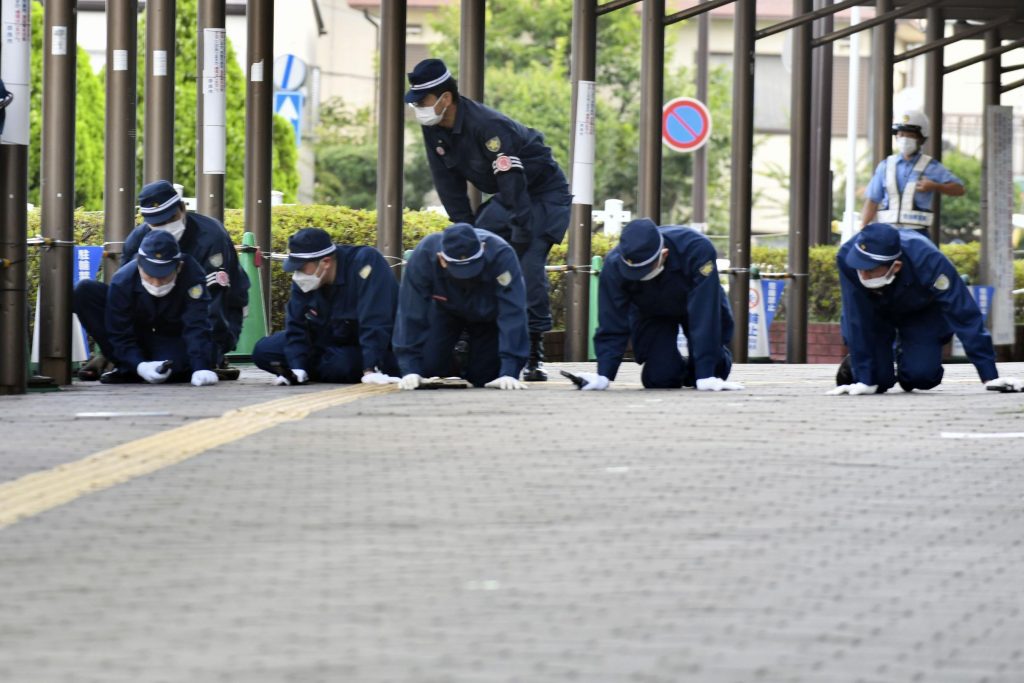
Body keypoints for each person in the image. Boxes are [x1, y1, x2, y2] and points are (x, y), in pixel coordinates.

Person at [405, 58, 571, 382]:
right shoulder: (434, 129)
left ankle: (533, 351)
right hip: (509, 195)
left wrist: (521, 231)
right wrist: (465, 227)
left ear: (445, 98)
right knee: (472, 249)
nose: (419, 109)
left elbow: (513, 182)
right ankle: (468, 334)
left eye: (423, 101)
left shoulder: (488, 126)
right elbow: (447, 183)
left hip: (542, 193)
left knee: (527, 262)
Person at [74, 179, 249, 380]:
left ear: (182, 208)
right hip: (153, 320)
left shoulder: (210, 236)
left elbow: (215, 305)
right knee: (85, 291)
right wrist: (115, 351)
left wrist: (206, 358)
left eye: (170, 218)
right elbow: (121, 303)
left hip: (198, 322)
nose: (165, 227)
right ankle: (126, 361)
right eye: (156, 223)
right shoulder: (137, 239)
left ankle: (186, 361)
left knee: (176, 365)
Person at [831, 222, 1022, 395]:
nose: (862, 273)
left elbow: (964, 314)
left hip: (920, 311)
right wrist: (865, 378)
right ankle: (858, 365)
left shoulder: (928, 260)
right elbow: (857, 317)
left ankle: (905, 358)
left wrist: (989, 375)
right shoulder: (847, 258)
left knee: (922, 377)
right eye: (859, 266)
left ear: (895, 267)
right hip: (874, 310)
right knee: (878, 383)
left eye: (870, 269)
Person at [575, 218, 742, 392]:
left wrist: (706, 373)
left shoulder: (698, 250)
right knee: (660, 378)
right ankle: (681, 366)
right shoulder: (613, 265)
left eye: (643, 271)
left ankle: (701, 365)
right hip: (652, 312)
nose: (639, 276)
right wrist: (604, 375)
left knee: (713, 371)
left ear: (664, 254)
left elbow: (705, 313)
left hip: (697, 304)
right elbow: (612, 321)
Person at [252, 227, 401, 386]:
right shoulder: (306, 280)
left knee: (344, 364)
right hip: (324, 342)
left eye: (301, 268)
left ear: (326, 262)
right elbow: (295, 324)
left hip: (361, 346)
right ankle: (306, 372)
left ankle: (334, 368)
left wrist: (370, 368)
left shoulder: (365, 263)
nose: (297, 275)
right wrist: (297, 367)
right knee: (264, 351)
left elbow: (375, 321)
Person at [393, 223, 529, 391]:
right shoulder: (424, 255)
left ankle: (471, 360)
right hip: (445, 311)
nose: (467, 276)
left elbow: (513, 312)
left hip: (487, 318)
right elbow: (410, 312)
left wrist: (510, 370)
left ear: (483, 248)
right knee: (429, 368)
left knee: (486, 377)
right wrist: (410, 368)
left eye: (473, 268)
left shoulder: (502, 255)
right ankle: (455, 359)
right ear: (442, 259)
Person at [101, 230, 219, 386]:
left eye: (163, 276)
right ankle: (127, 366)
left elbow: (196, 323)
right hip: (137, 337)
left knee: (173, 368)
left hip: (172, 338)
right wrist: (138, 365)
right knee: (86, 291)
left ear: (179, 267)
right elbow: (119, 332)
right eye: (149, 275)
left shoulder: (191, 273)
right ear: (139, 265)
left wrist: (201, 367)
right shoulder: (122, 281)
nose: (156, 283)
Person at [861, 109, 965, 234]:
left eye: (910, 135)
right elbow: (872, 200)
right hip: (888, 234)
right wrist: (863, 227)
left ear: (921, 139)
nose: (904, 139)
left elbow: (959, 189)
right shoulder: (885, 166)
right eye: (901, 134)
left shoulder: (931, 166)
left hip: (918, 234)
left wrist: (935, 186)